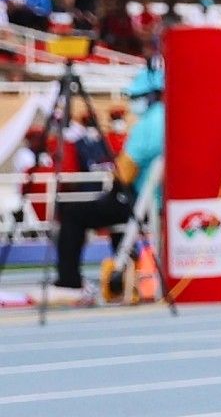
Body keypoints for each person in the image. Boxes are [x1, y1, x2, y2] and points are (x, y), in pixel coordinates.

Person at [52, 64, 162, 301]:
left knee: (74, 214)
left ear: (152, 95)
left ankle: (68, 282)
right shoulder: (178, 116)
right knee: (115, 208)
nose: (132, 102)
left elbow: (123, 173)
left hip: (145, 202)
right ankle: (124, 276)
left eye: (135, 97)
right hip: (165, 201)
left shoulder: (148, 125)